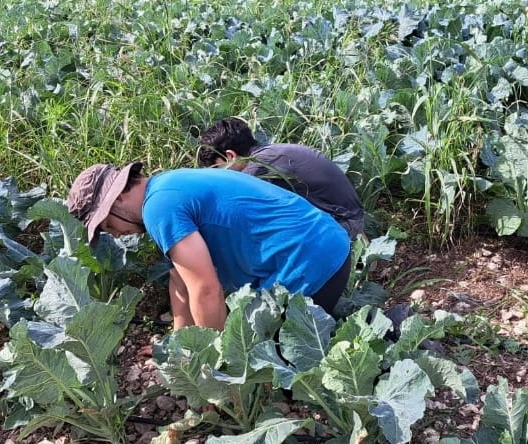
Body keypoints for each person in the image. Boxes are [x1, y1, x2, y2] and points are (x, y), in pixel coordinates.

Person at [66, 162, 352, 331]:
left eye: (108, 226)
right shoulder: (166, 186)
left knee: (272, 371)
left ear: (115, 202)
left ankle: (391, 336)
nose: (116, 235)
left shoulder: (158, 209)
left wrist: (215, 366)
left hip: (309, 266)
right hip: (325, 246)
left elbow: (206, 290)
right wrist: (183, 342)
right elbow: (181, 279)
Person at [197, 118, 366, 240]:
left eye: (218, 169)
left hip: (344, 226)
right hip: (348, 218)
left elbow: (230, 210)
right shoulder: (275, 151)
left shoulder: (258, 166)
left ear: (230, 156)